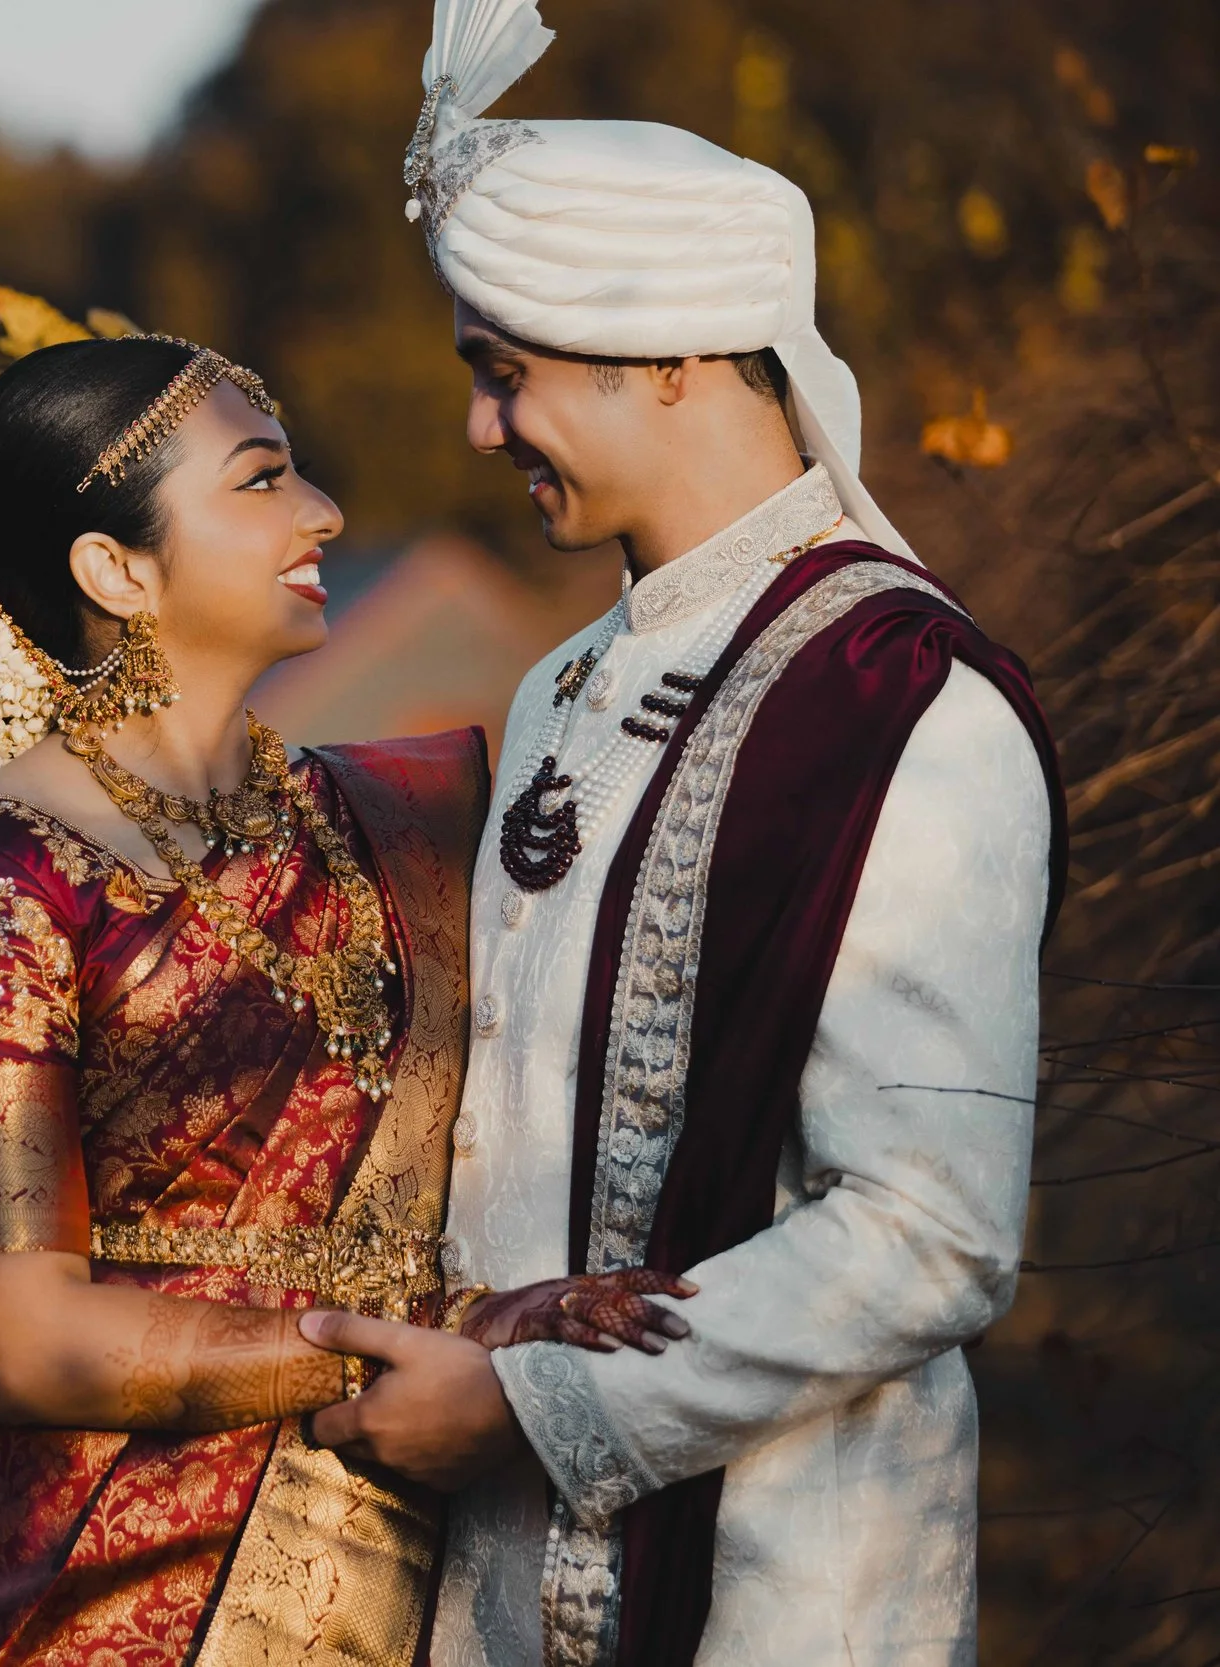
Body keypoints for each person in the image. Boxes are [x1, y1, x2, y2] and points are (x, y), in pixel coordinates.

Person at [299, 4, 1069, 1666]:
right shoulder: (569, 676)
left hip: (783, 1592)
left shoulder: (907, 701)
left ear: (670, 351)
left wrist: (530, 1403)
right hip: (490, 1578)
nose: (480, 431)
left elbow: (931, 1231)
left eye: (506, 375)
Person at [0, 334, 691, 1666]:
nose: (323, 512)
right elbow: (26, 1340)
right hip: (110, 1585)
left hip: (417, 1528)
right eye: (261, 481)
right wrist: (410, 1347)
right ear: (115, 567)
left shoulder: (399, 823)